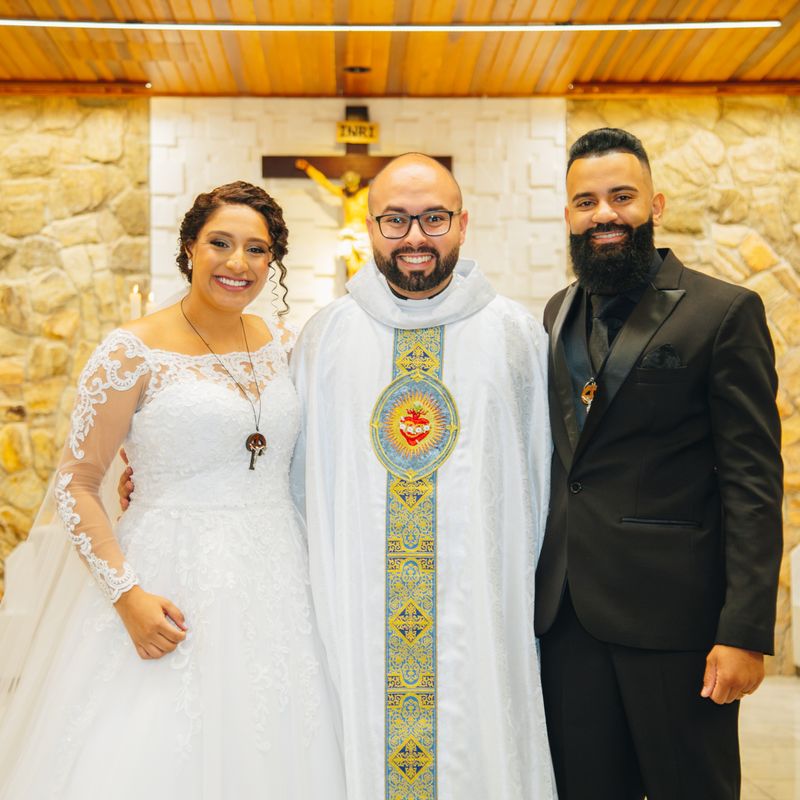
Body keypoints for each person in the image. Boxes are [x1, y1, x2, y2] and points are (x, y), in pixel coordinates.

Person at [0, 182, 345, 799]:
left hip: (280, 578)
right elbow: (78, 483)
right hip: (170, 576)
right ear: (190, 247)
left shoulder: (283, 346)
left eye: (256, 250)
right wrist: (125, 594)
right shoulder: (132, 350)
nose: (238, 263)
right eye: (221, 243)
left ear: (273, 262)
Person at [290, 153, 557, 798]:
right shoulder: (326, 336)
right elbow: (288, 471)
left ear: (463, 224)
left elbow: (545, 474)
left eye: (433, 218)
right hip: (357, 605)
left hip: (481, 606)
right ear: (371, 227)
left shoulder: (516, 335)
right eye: (396, 220)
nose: (415, 237)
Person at [535, 127, 783, 800]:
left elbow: (753, 483)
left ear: (656, 203)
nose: (604, 214)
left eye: (622, 196)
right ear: (568, 215)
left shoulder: (723, 311)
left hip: (676, 622)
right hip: (568, 620)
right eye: (585, 202)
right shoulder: (557, 312)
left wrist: (745, 630)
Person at [295, 158, 371, 277]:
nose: (350, 188)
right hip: (348, 232)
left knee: (365, 266)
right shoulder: (343, 193)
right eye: (348, 185)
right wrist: (308, 168)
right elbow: (324, 183)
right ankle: (353, 285)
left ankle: (362, 287)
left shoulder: (366, 192)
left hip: (363, 233)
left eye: (352, 185)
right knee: (350, 264)